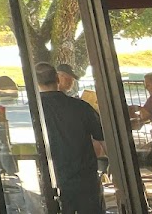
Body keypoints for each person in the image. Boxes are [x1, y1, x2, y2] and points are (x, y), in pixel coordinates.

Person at [36, 62, 106, 214]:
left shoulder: (33, 110)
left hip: (52, 179)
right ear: (57, 79)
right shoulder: (81, 107)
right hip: (85, 180)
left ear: (36, 82)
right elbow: (104, 140)